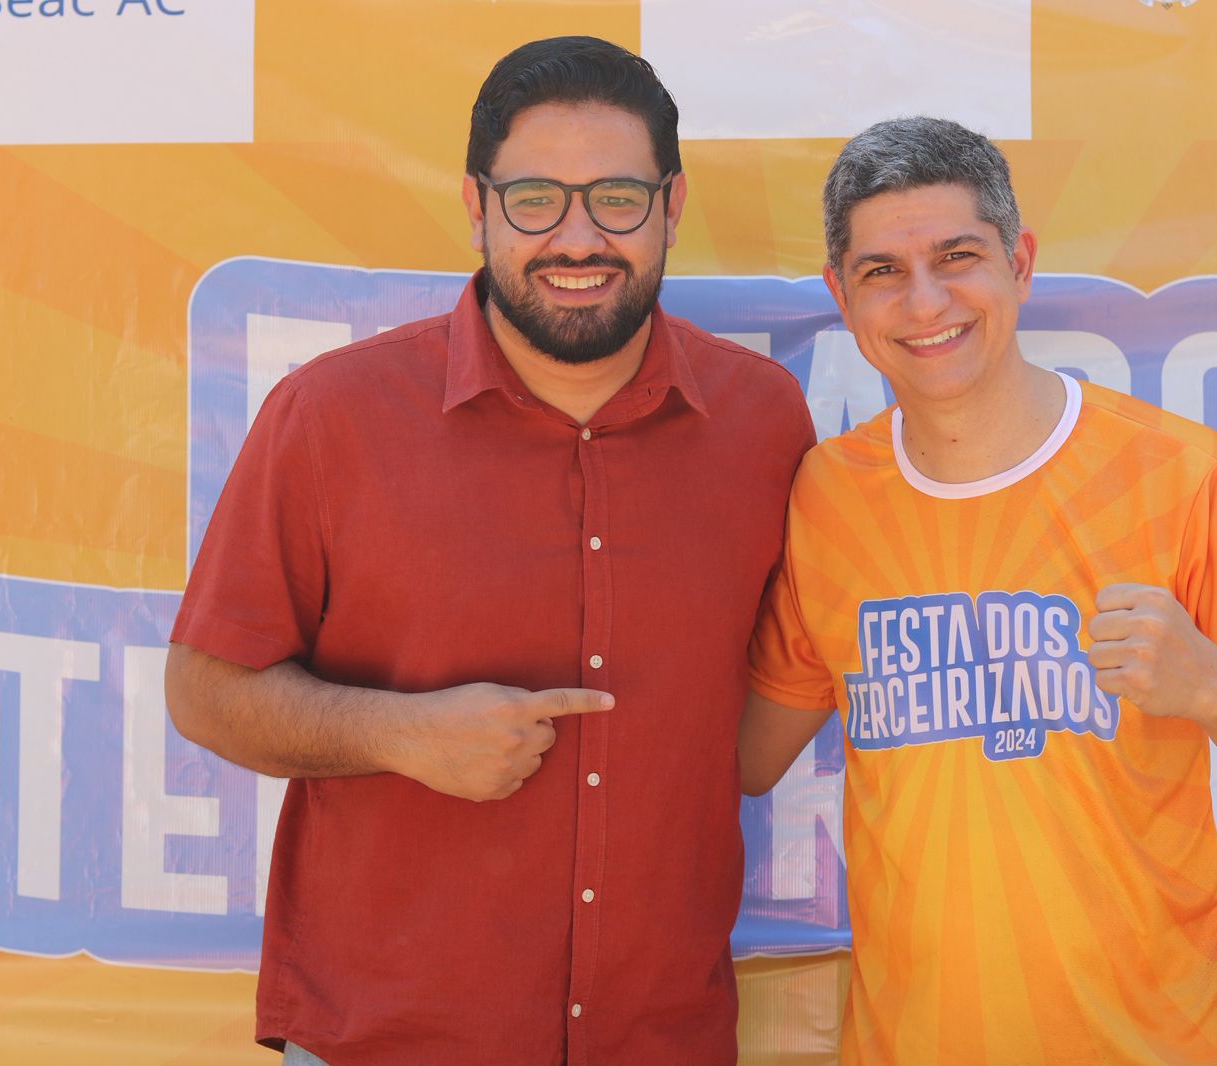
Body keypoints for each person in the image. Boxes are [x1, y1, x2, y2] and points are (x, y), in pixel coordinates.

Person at [165, 36, 813, 1065]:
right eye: (534, 200)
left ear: (672, 205)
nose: (577, 238)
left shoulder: (764, 420)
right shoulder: (332, 417)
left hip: (662, 1038)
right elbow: (204, 689)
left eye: (616, 199)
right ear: (476, 206)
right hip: (387, 1041)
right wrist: (398, 733)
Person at [740, 116, 1217, 1065]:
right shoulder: (825, 496)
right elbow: (743, 759)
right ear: (841, 295)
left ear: (1021, 262)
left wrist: (1213, 688)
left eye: (958, 257)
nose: (925, 301)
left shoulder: (1184, 475)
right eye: (882, 271)